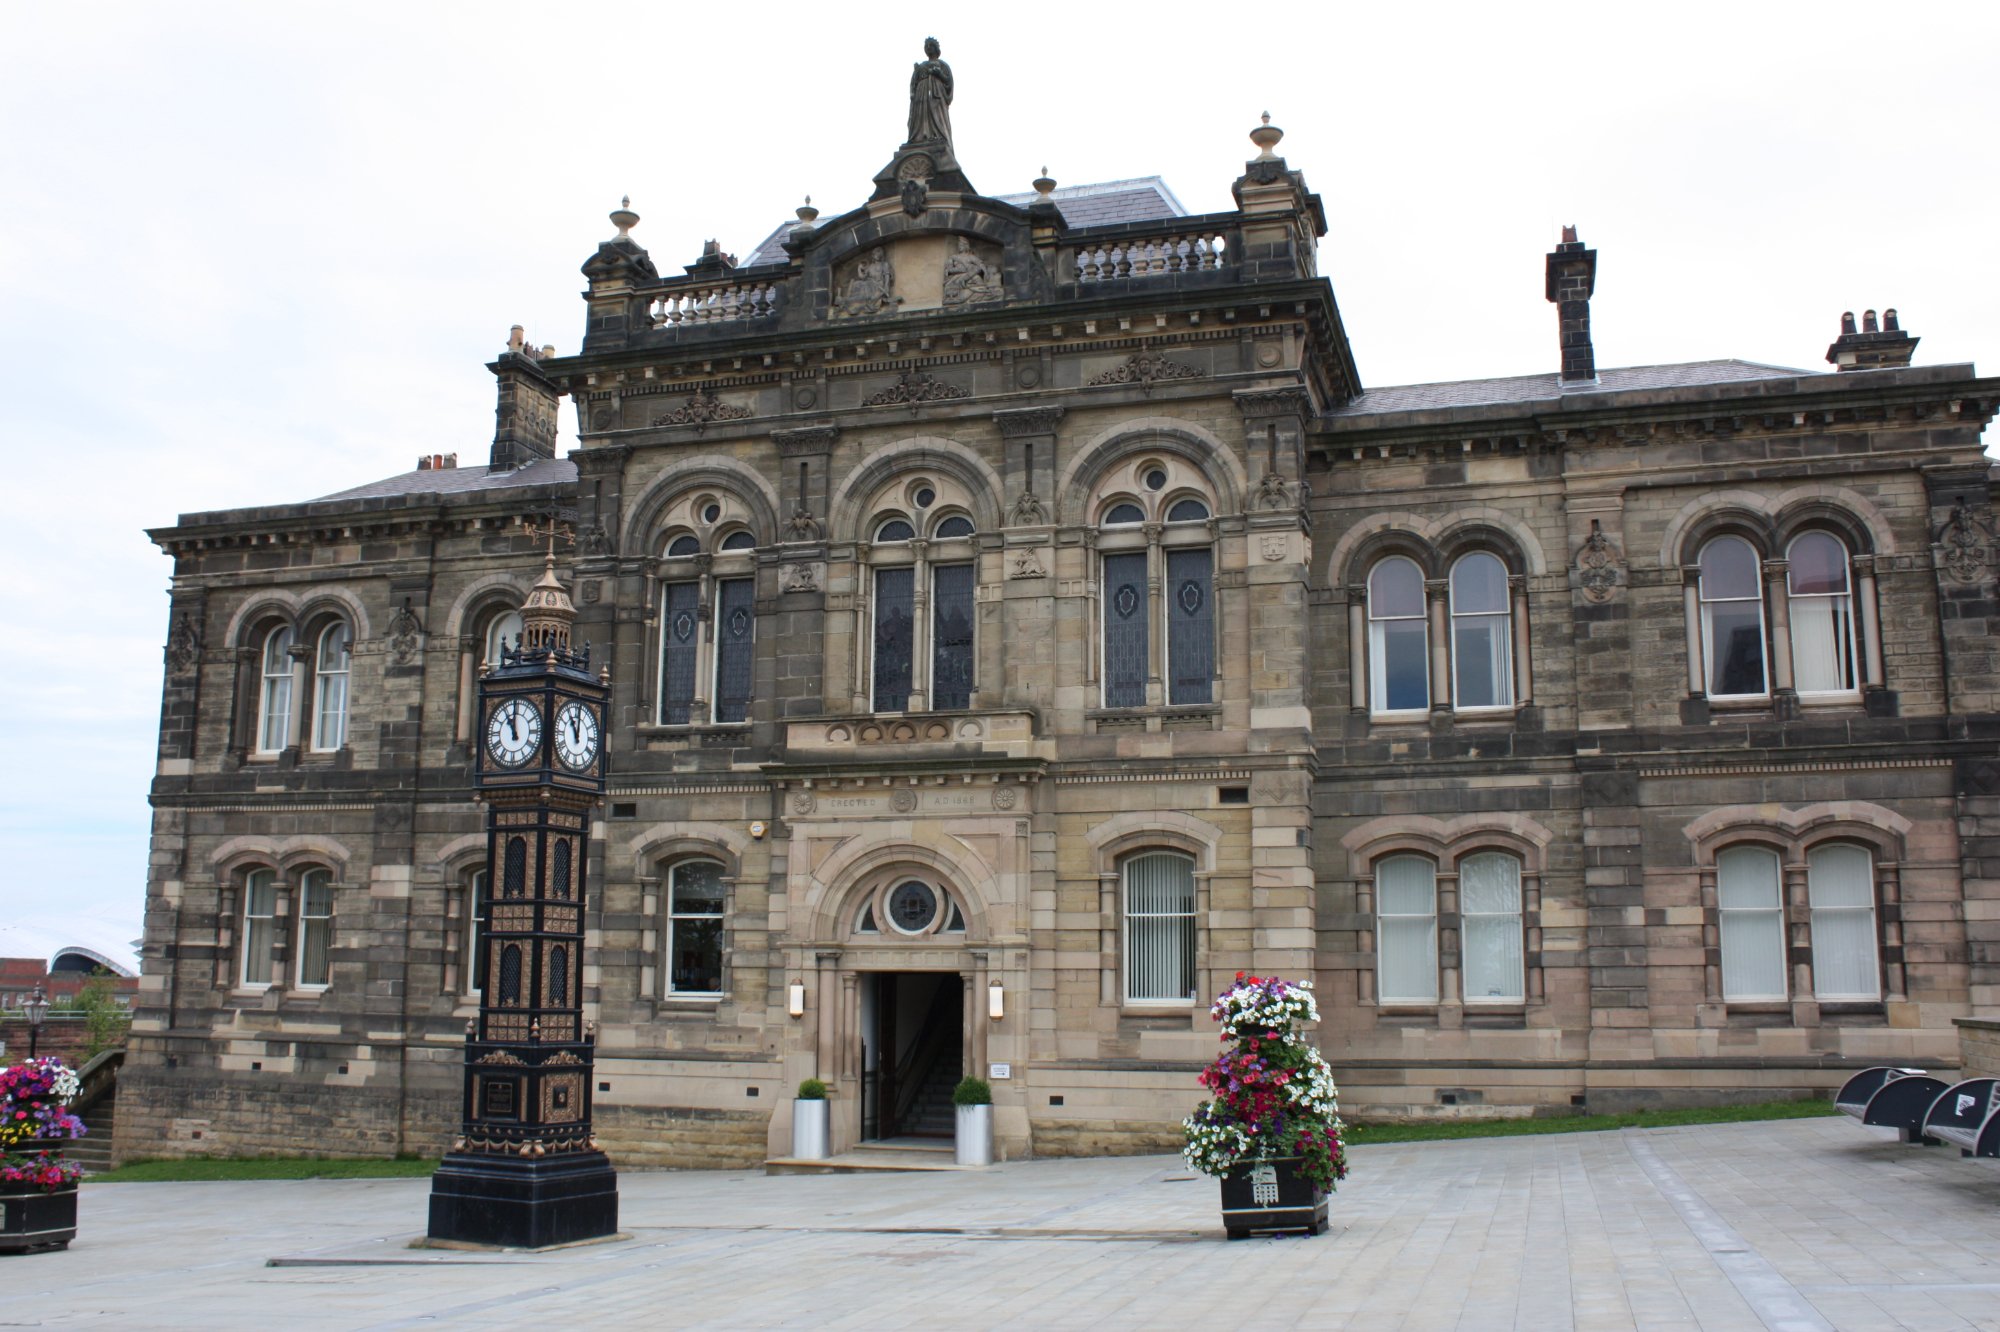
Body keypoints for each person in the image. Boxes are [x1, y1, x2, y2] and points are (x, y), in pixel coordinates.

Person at [907, 37, 953, 147]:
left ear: (936, 48)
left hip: (936, 92)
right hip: (921, 92)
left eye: (930, 45)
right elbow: (914, 81)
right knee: (920, 114)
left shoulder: (942, 64)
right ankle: (919, 137)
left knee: (936, 112)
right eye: (926, 46)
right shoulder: (921, 65)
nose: (928, 48)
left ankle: (937, 135)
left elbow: (948, 81)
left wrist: (939, 74)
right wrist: (913, 93)